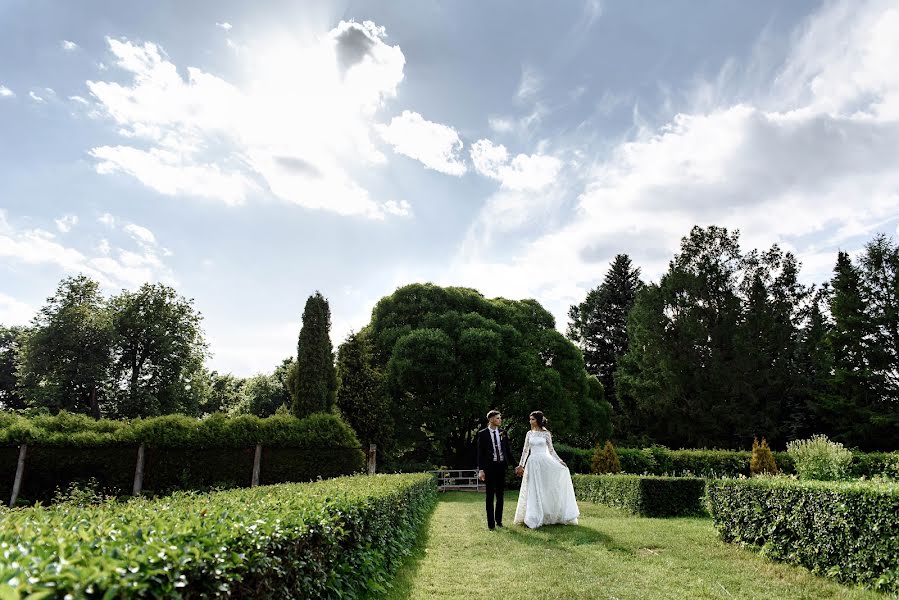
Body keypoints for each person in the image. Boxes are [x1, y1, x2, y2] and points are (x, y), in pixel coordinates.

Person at [513, 411, 580, 528]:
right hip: (532, 463)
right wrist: (521, 465)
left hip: (544, 463)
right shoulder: (529, 434)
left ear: (538, 420)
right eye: (530, 419)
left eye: (532, 419)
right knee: (533, 489)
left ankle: (548, 514)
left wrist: (559, 461)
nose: (530, 421)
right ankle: (533, 516)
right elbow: (525, 450)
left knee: (545, 489)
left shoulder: (546, 433)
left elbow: (551, 450)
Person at [476, 409, 515, 530]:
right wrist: (481, 470)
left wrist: (516, 465)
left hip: (501, 466)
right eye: (498, 418)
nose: (500, 420)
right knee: (489, 496)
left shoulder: (503, 432)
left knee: (500, 495)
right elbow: (480, 453)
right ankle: (491, 524)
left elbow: (508, 451)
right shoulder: (482, 434)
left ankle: (499, 521)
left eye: (500, 418)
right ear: (491, 419)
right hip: (489, 467)